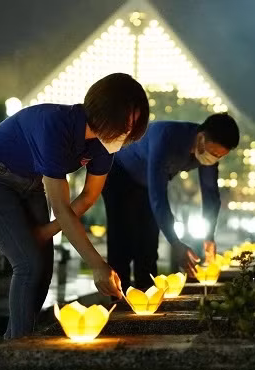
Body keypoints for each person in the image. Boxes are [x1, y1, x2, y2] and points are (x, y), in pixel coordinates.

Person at [0, 73, 149, 339]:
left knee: (43, 269)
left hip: (29, 183)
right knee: (28, 265)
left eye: (133, 127)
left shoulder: (103, 146)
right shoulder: (55, 126)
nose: (127, 133)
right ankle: (20, 350)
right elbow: (61, 208)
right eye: (126, 124)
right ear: (106, 114)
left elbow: (87, 197)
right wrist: (97, 264)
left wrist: (43, 233)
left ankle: (15, 341)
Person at [102, 113, 240, 291]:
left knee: (149, 243)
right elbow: (158, 196)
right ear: (201, 137)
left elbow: (211, 194)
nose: (213, 159)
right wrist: (176, 243)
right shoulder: (166, 137)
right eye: (213, 153)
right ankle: (119, 300)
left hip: (146, 183)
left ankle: (146, 295)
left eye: (219, 157)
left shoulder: (208, 154)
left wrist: (209, 237)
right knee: (122, 239)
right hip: (119, 173)